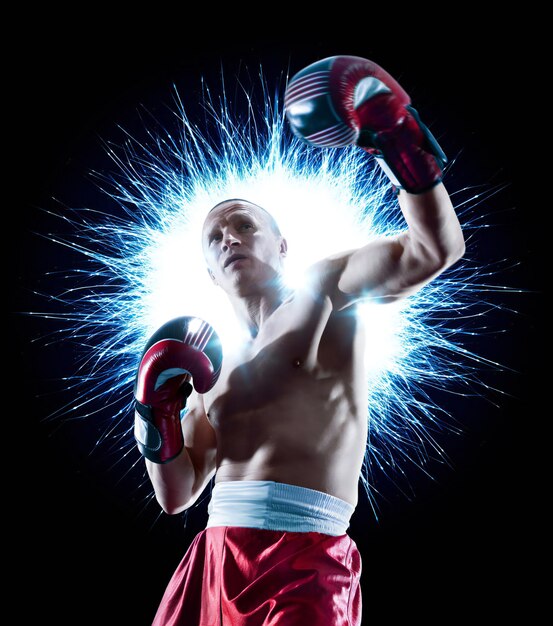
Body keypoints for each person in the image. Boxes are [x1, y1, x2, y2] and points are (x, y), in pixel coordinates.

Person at [133, 55, 466, 626]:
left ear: (282, 246)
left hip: (306, 558)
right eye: (215, 236)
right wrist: (151, 410)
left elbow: (434, 251)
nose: (229, 237)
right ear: (210, 271)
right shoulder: (206, 364)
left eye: (244, 224)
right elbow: (177, 493)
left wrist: (397, 140)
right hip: (212, 560)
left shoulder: (325, 288)